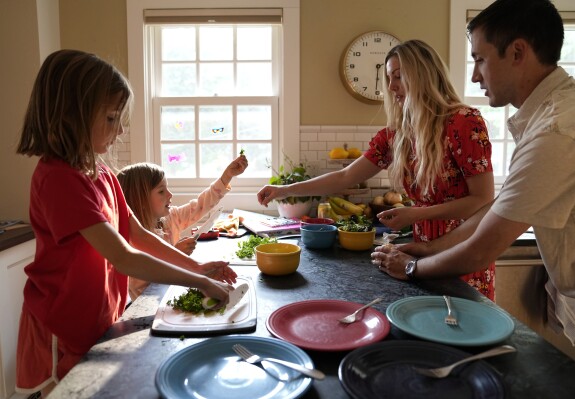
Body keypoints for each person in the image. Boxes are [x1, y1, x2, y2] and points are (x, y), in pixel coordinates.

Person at [371, 0, 575, 375]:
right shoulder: (559, 113)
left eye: (479, 59)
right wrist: (427, 248)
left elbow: (483, 247)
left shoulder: (558, 130)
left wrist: (412, 267)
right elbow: (496, 213)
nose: (475, 76)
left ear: (517, 52)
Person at [14, 49, 237, 397]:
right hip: (62, 323)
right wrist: (197, 281)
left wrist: (198, 267)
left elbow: (138, 235)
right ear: (72, 114)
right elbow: (124, 256)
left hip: (99, 314)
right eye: (110, 117)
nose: (119, 130)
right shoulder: (58, 178)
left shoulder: (101, 172)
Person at [257, 39, 496, 299]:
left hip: (464, 248)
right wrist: (284, 190)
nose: (391, 87)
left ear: (423, 76)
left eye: (398, 76)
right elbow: (345, 176)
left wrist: (416, 214)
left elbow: (482, 200)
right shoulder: (398, 134)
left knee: (464, 328)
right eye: (388, 78)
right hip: (420, 252)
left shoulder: (464, 122)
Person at [117, 157, 248, 300]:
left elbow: (200, 206)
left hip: (172, 295)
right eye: (161, 191)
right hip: (149, 306)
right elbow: (139, 286)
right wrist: (176, 254)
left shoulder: (170, 218)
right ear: (140, 200)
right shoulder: (130, 239)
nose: (170, 195)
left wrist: (226, 177)